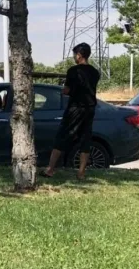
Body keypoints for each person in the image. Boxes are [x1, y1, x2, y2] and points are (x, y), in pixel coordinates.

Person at [42, 43, 100, 180]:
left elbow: (67, 90)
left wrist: (64, 91)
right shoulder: (95, 72)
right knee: (85, 138)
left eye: (75, 54)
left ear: (79, 55)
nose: (74, 57)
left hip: (75, 107)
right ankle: (81, 173)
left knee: (62, 136)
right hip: (90, 108)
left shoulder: (73, 71)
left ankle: (50, 169)